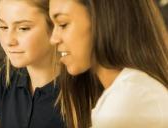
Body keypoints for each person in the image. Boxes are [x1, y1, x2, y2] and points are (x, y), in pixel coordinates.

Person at [49, 0, 168, 128]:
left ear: (102, 18)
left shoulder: (128, 101)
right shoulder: (130, 94)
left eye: (63, 24)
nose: (53, 39)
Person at [0, 0, 65, 128]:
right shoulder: (8, 76)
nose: (9, 41)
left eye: (23, 28)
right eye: (3, 27)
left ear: (55, 27)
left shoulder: (81, 90)